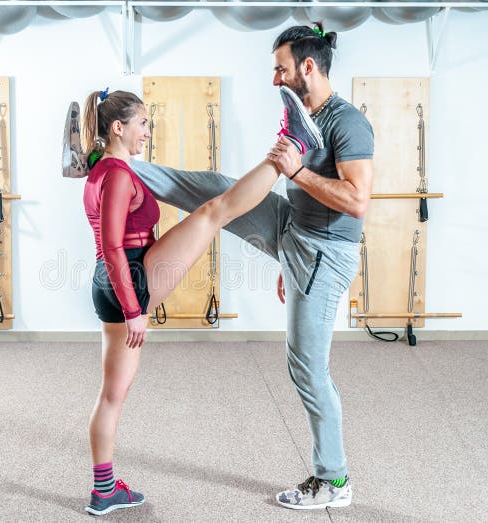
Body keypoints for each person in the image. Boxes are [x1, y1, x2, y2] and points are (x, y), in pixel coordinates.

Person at [126, 25, 375, 510]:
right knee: (218, 189)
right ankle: (118, 166)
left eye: (281, 67)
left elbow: (357, 201)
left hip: (322, 250)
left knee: (307, 369)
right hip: (295, 231)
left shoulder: (348, 123)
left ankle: (335, 482)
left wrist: (298, 172)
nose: (275, 77)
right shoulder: (309, 115)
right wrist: (286, 252)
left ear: (308, 66)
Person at [79, 85, 323, 515]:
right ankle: (293, 144)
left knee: (113, 393)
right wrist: (135, 311)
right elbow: (114, 247)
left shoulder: (100, 168)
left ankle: (104, 490)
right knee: (215, 210)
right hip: (130, 277)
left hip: (113, 282)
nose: (147, 133)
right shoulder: (116, 174)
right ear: (117, 127)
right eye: (142, 124)